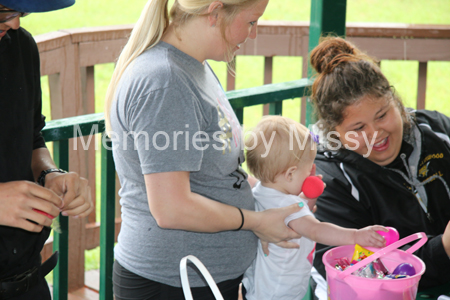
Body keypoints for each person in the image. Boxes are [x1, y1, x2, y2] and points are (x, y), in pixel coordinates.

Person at [103, 0, 304, 299]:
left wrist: (272, 195)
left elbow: (220, 172)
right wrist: (258, 222)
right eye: (251, 21)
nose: (254, 33)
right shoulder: (166, 81)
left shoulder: (193, 66)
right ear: (215, 12)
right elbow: (172, 209)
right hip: (173, 280)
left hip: (200, 276)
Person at [308, 36, 450, 298]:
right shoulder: (328, 181)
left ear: (396, 102)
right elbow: (358, 274)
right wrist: (443, 247)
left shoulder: (437, 131)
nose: (375, 134)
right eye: (359, 128)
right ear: (336, 133)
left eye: (382, 115)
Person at [0, 1, 94, 299]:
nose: (14, 23)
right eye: (4, 8)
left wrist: (48, 173)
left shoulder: (21, 46)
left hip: (26, 276)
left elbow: (30, 137)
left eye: (20, 12)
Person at [240, 115, 387, 300]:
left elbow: (298, 219)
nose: (312, 171)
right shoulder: (286, 206)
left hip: (260, 286)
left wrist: (309, 198)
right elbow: (315, 230)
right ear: (290, 174)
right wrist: (355, 236)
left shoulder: (261, 192)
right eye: (308, 168)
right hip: (281, 293)